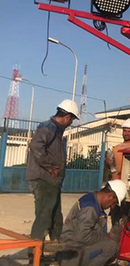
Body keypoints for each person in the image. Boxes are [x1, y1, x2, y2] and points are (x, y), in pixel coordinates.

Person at [26, 99, 80, 242]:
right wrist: (50, 166)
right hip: (43, 180)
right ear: (68, 117)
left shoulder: (55, 130)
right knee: (44, 217)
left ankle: (55, 249)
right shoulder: (48, 127)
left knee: (56, 217)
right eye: (72, 120)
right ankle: (35, 257)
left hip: (52, 181)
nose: (70, 124)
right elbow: (36, 146)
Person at [60, 180, 127, 266]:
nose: (111, 206)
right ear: (110, 196)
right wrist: (105, 237)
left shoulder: (93, 199)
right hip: (73, 252)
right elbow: (82, 236)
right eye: (113, 203)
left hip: (75, 249)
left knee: (110, 244)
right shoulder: (90, 209)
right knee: (112, 247)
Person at [107, 118, 130, 225]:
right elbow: (112, 167)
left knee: (129, 214)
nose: (126, 133)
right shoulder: (116, 149)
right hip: (116, 185)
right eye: (125, 131)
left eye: (129, 131)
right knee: (115, 213)